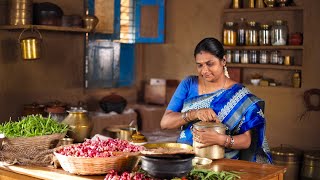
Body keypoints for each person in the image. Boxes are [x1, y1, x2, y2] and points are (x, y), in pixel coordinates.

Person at [160, 37, 272, 164]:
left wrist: (219, 139)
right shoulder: (189, 84)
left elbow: (246, 141)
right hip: (185, 160)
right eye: (200, 65)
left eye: (210, 64)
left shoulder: (240, 95)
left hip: (222, 163)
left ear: (223, 60)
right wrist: (194, 113)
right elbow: (165, 123)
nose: (204, 71)